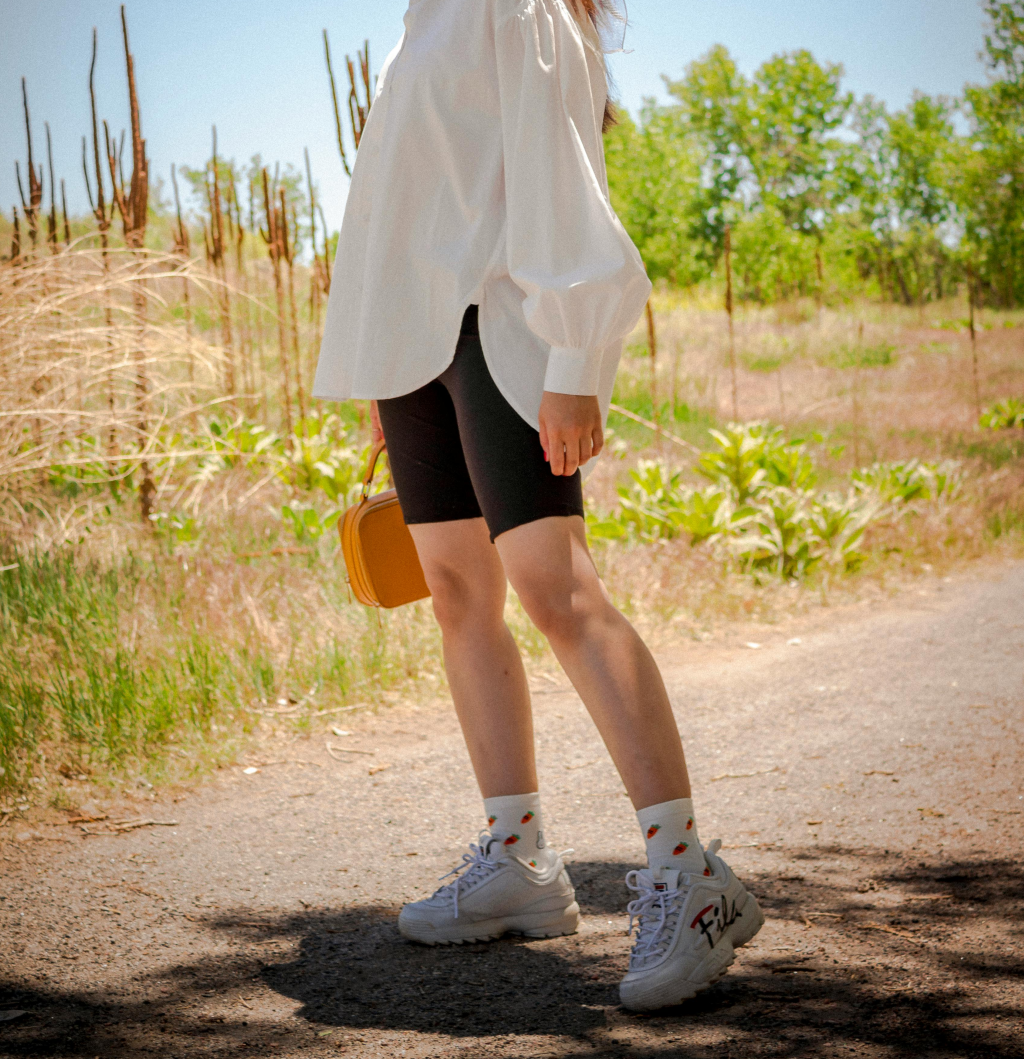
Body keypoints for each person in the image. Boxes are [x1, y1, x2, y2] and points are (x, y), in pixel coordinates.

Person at [313, 0, 763, 1011]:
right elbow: (400, 201)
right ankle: (517, 861)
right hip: (417, 342)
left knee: (556, 588)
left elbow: (566, 184)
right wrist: (380, 361)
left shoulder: (519, 7)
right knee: (455, 593)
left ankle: (690, 876)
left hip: (504, 326)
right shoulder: (419, 22)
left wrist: (577, 362)